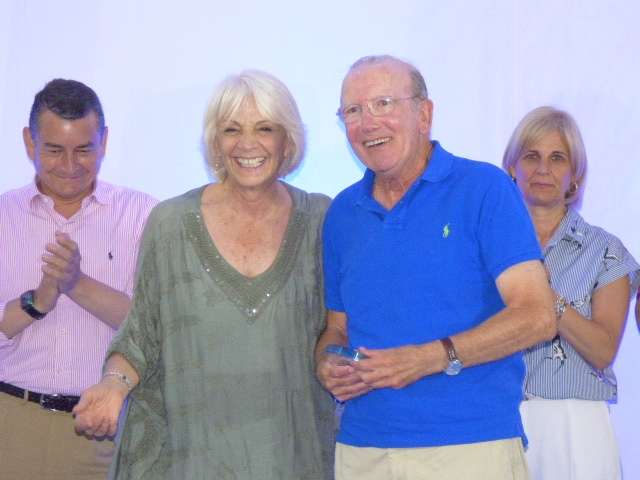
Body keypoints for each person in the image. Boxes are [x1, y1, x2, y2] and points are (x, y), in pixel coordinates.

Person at [73, 70, 334, 479]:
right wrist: (112, 383)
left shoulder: (322, 219)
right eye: (232, 129)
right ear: (215, 142)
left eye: (265, 128)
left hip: (290, 455)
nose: (247, 144)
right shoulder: (171, 222)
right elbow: (142, 331)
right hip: (188, 456)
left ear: (288, 141)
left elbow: (339, 329)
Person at [315, 54, 557, 480]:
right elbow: (338, 328)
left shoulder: (484, 188)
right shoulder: (342, 213)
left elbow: (537, 315)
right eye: (353, 110)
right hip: (363, 449)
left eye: (384, 103)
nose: (368, 122)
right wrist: (327, 361)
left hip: (468, 446)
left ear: (424, 114)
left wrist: (427, 358)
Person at [0, 79, 157, 479]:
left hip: (106, 427)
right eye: (54, 150)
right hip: (10, 421)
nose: (70, 166)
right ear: (29, 142)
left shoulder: (144, 217)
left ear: (104, 142)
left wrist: (76, 284)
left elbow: (154, 326)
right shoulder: (3, 217)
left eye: (84, 150)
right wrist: (37, 301)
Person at [502, 106, 639, 480]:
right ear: (512, 168)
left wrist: (546, 297)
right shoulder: (485, 245)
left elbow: (603, 350)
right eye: (531, 156)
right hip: (494, 420)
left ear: (575, 175)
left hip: (575, 425)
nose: (543, 169)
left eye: (557, 158)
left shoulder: (606, 250)